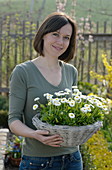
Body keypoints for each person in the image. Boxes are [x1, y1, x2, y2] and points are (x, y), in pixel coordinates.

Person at [8, 12, 83, 170]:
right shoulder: (23, 72)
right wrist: (35, 134)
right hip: (37, 161)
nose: (60, 41)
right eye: (55, 34)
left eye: (66, 37)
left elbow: (74, 114)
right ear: (43, 35)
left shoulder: (71, 72)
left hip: (72, 159)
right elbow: (13, 120)